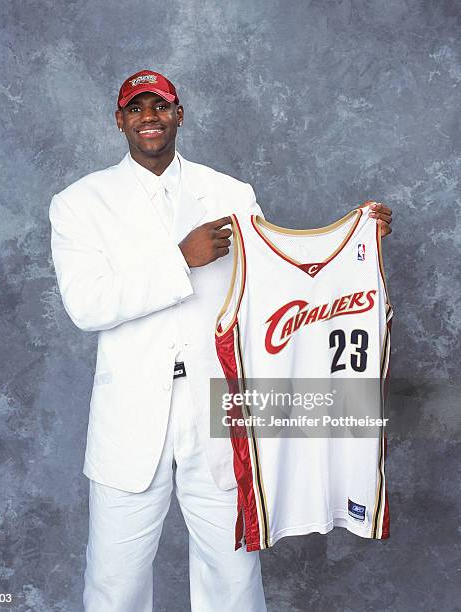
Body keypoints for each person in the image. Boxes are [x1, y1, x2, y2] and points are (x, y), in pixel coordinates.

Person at [49, 69, 392, 612]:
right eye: (135, 109)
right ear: (119, 121)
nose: (148, 118)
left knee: (232, 577)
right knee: (115, 584)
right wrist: (178, 259)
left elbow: (278, 283)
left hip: (219, 407)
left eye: (159, 107)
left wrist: (357, 244)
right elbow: (87, 306)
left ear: (179, 114)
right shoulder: (80, 202)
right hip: (131, 413)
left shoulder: (231, 193)